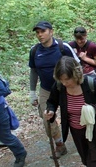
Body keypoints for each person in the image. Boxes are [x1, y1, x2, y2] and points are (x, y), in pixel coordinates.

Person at [45, 56, 96, 167]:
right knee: (88, 159)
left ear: (76, 75)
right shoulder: (59, 87)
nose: (64, 83)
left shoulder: (92, 84)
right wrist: (50, 111)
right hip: (77, 132)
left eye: (67, 79)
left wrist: (93, 109)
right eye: (61, 79)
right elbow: (52, 101)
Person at [29, 20, 79, 159]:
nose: (40, 35)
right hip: (46, 89)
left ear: (51, 31)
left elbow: (77, 66)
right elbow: (33, 71)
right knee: (47, 119)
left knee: (76, 115)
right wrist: (32, 92)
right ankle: (60, 145)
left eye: (43, 31)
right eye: (37, 33)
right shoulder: (34, 50)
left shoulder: (64, 48)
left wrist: (79, 86)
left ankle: (86, 139)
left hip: (65, 88)